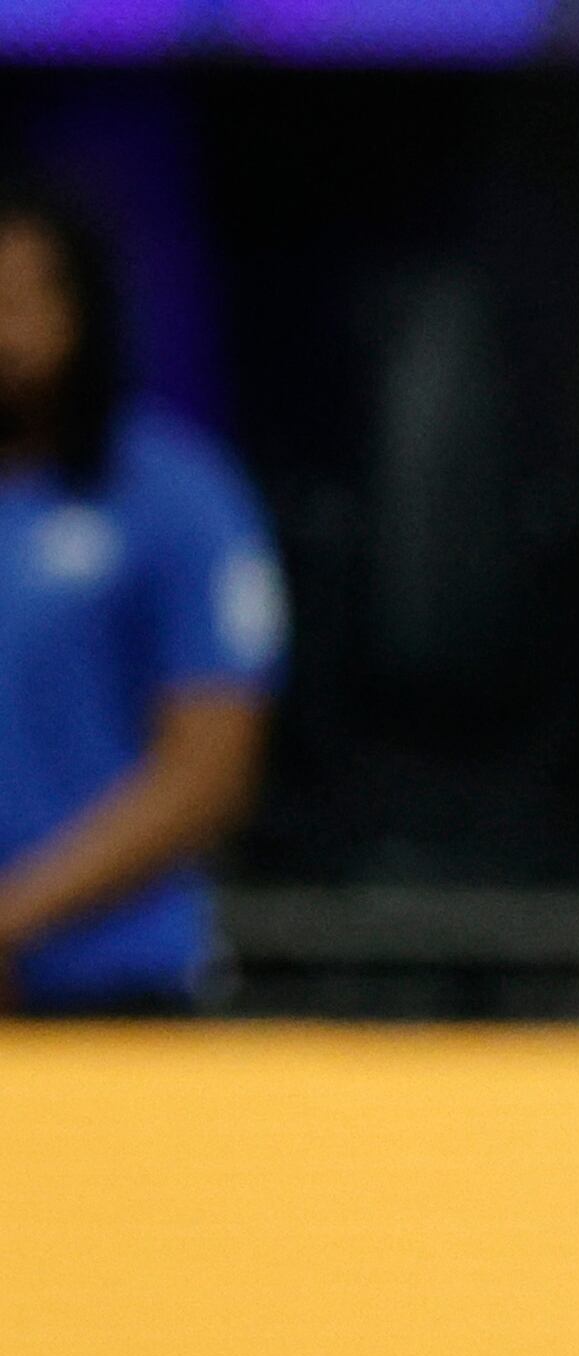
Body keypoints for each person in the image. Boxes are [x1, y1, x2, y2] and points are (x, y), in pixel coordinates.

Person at [0, 183, 282, 1015]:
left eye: (18, 299)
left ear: (83, 311)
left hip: (117, 993)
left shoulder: (173, 495)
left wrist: (13, 917)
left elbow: (210, 768)